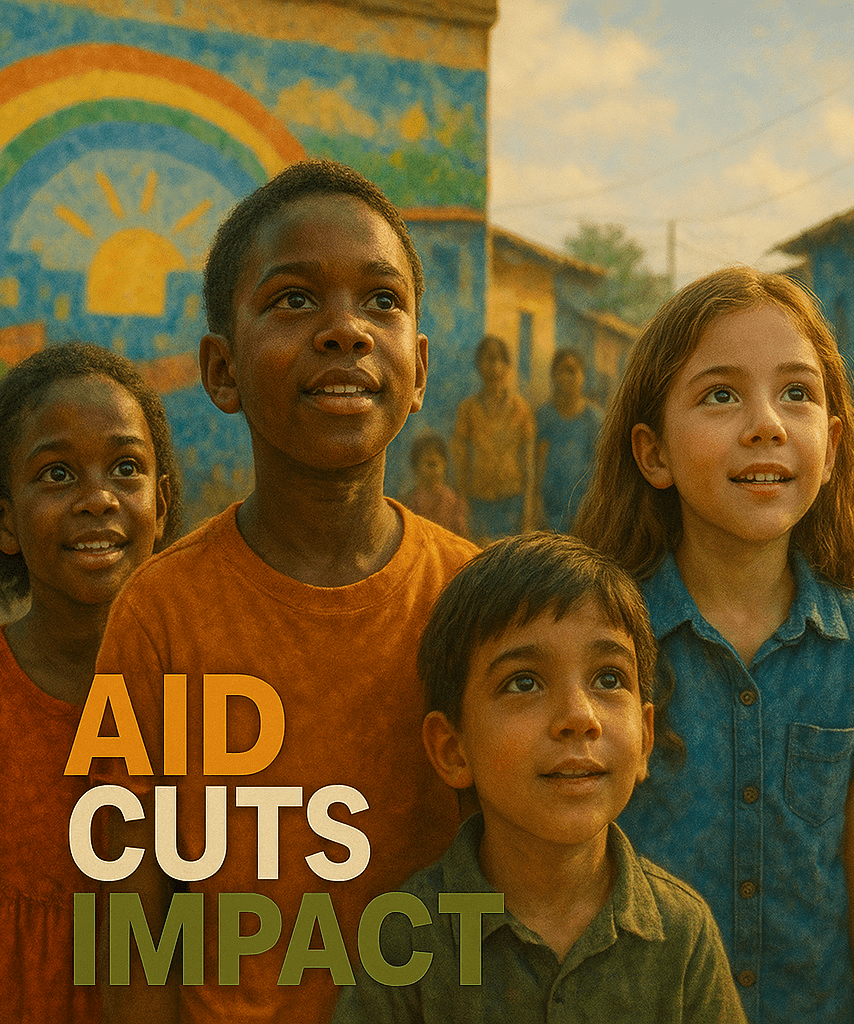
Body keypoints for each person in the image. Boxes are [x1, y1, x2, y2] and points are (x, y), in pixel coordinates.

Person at [91, 159, 480, 1024]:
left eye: (381, 300)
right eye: (294, 300)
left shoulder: (474, 602)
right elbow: (126, 918)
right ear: (221, 372)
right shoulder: (159, 616)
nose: (345, 330)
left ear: (418, 371)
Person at [576, 266, 854, 1024]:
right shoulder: (603, 643)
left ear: (831, 447)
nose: (766, 422)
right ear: (654, 454)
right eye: (721, 394)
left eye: (797, 393)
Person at [331, 532, 747, 1024]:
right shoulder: (405, 935)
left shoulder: (682, 935)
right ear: (452, 750)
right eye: (523, 682)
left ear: (646, 738)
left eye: (609, 678)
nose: (579, 716)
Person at [0, 343, 181, 1024]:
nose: (98, 499)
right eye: (57, 474)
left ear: (160, 508)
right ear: (2, 520)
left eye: (126, 468)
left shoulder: (203, 697)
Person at [453, 334, 536, 543]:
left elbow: (528, 462)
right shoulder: (468, 410)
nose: (495, 366)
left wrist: (527, 508)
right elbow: (460, 459)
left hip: (512, 499)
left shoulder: (522, 410)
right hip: (479, 500)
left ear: (508, 366)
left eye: (501, 360)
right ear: (479, 365)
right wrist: (462, 502)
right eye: (488, 359)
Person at [535, 347, 604, 532]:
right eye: (562, 371)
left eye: (573, 371)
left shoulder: (593, 418)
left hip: (584, 509)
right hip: (550, 512)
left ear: (582, 376)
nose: (567, 377)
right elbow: (538, 464)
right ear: (553, 376)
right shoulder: (545, 416)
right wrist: (538, 508)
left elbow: (600, 466)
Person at [401, 431, 469, 538]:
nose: (432, 457)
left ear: (444, 463)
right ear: (415, 466)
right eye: (427, 461)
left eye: (436, 459)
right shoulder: (407, 502)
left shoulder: (455, 502)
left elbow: (462, 537)